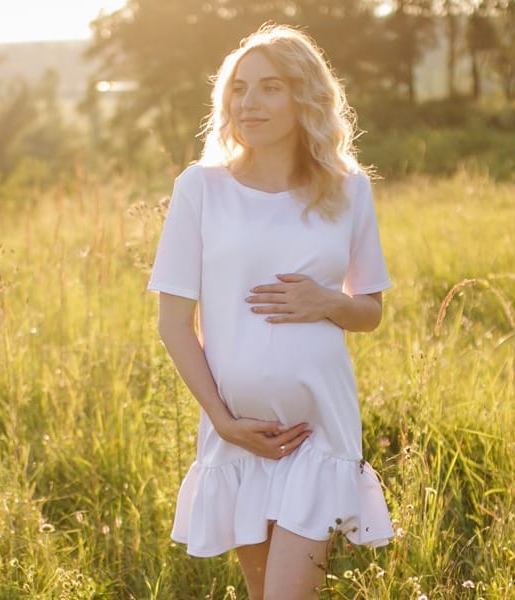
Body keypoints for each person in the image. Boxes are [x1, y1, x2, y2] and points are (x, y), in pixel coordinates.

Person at [147, 24, 393, 600]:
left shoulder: (348, 189)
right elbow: (172, 323)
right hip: (238, 439)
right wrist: (225, 422)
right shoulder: (201, 189)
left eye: (270, 87)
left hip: (318, 435)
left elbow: (371, 311)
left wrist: (329, 301)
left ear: (304, 96)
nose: (248, 102)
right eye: (239, 87)